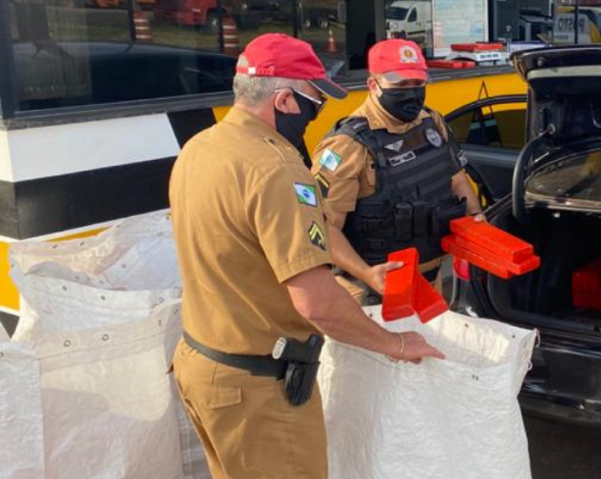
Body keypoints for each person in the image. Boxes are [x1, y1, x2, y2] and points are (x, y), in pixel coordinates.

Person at [169, 33, 444, 479]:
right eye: (315, 97)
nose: (320, 109)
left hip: (202, 365)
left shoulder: (201, 148)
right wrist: (395, 344)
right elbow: (316, 302)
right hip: (258, 387)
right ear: (284, 101)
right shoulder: (276, 169)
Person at [312, 39, 483, 302]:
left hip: (430, 281)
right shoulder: (346, 145)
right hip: (373, 292)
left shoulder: (432, 122)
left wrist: (476, 218)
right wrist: (368, 274)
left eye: (418, 84)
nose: (412, 93)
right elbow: (323, 227)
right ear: (373, 85)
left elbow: (456, 178)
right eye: (401, 85)